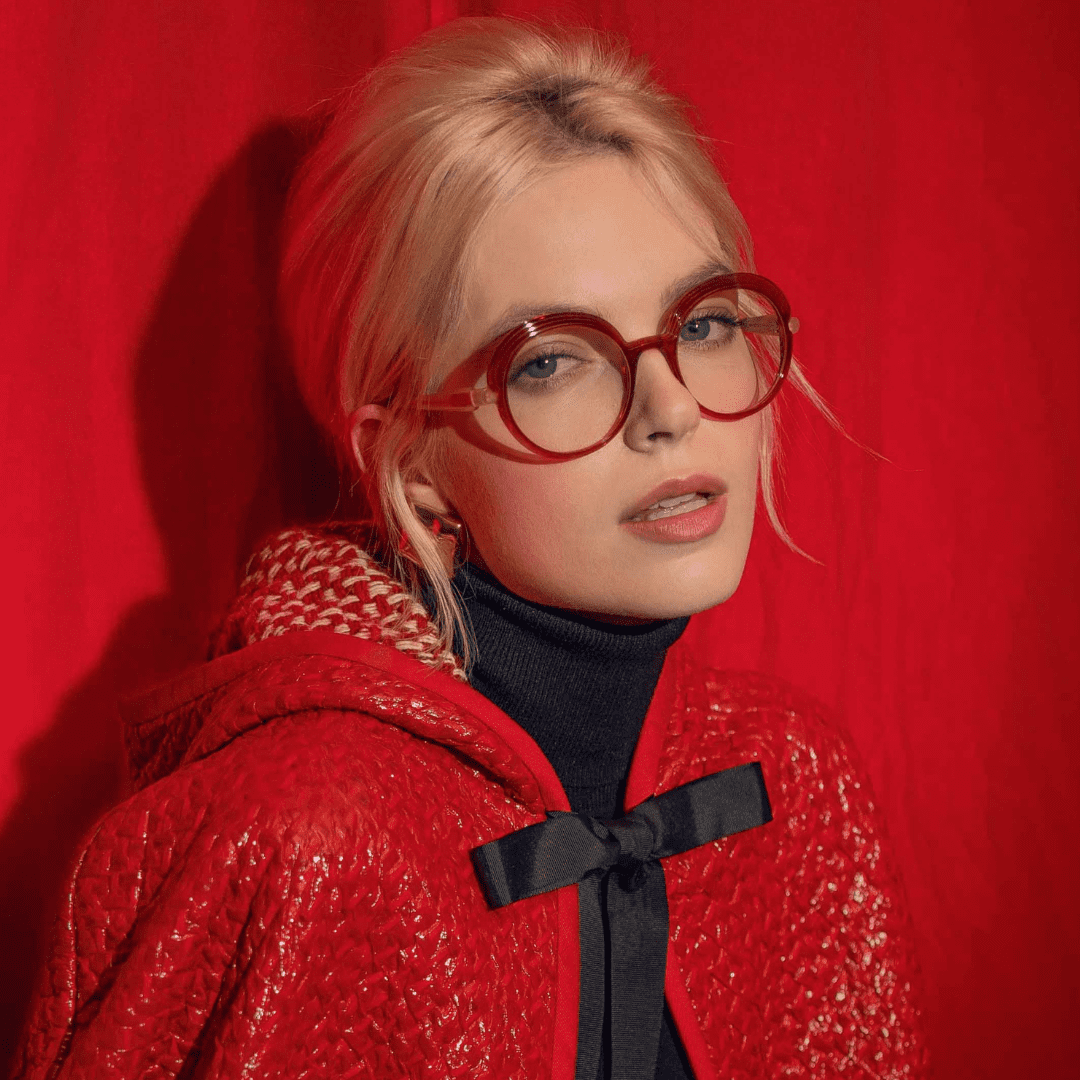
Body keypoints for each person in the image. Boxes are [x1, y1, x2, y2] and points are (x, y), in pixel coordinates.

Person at [14, 17, 927, 1080]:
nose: (672, 408)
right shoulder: (294, 836)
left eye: (703, 323)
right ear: (409, 460)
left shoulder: (791, 776)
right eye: (552, 361)